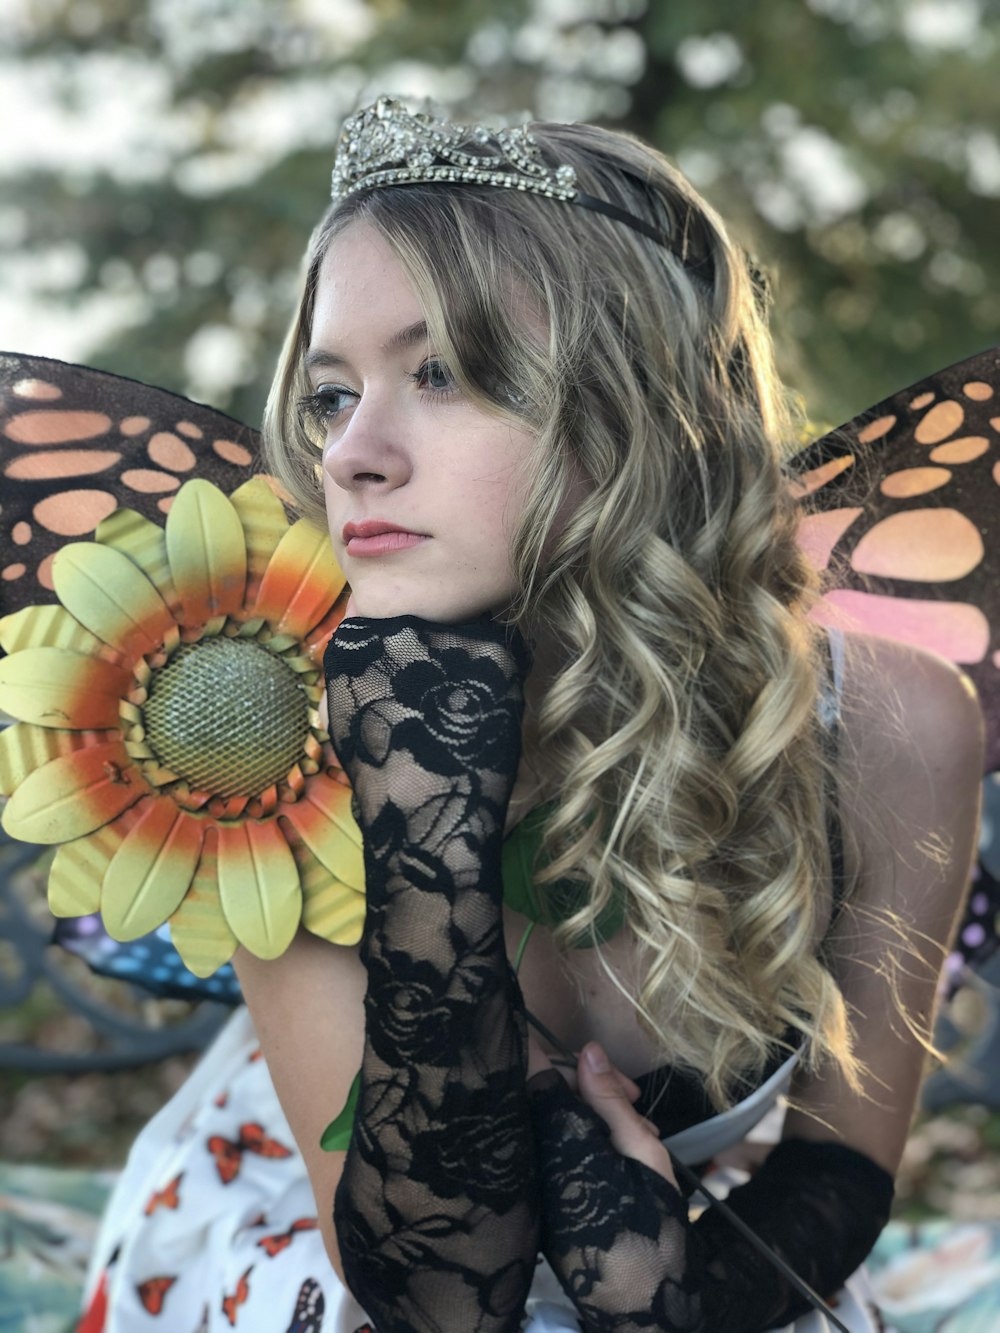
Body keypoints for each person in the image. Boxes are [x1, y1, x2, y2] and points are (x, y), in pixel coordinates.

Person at [79, 97, 984, 1332]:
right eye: (333, 393)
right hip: (341, 1240)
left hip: (706, 1253)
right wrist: (423, 808)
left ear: (637, 407)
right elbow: (430, 1294)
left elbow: (840, 1170)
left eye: (442, 373)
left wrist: (664, 1299)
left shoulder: (889, 722)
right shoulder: (259, 730)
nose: (352, 454)